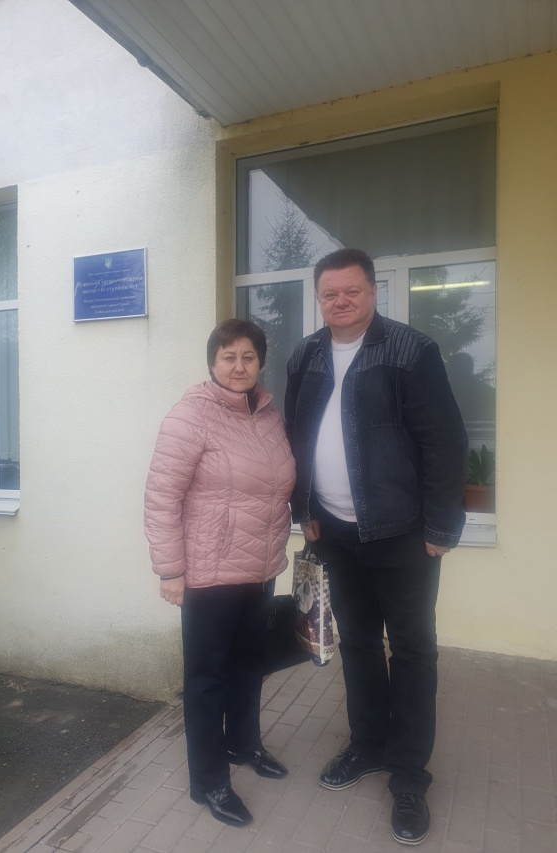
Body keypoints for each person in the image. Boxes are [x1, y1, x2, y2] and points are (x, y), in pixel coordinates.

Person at [285, 248, 467, 846]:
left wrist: (441, 527)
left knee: (412, 650)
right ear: (319, 298)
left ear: (373, 292)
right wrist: (304, 510)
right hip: (335, 532)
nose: (340, 301)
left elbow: (444, 441)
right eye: (329, 293)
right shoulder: (305, 355)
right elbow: (295, 435)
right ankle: (367, 745)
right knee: (359, 643)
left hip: (404, 534)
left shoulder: (411, 350)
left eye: (352, 291)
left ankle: (409, 776)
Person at [144, 319, 295, 828]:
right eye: (228, 356)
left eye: (248, 356)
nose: (238, 366)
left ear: (261, 362)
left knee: (250, 665)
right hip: (208, 574)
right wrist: (170, 569)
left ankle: (243, 745)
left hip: (259, 569)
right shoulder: (191, 416)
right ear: (212, 362)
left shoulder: (268, 414)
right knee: (207, 679)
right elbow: (161, 497)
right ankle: (209, 780)